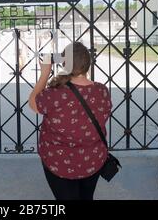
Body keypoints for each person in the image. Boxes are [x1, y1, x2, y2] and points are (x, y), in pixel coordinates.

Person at [28, 42, 112, 200]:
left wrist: (45, 73)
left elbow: (33, 103)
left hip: (58, 162)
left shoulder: (55, 93)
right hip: (92, 160)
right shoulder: (102, 91)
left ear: (65, 65)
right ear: (88, 63)